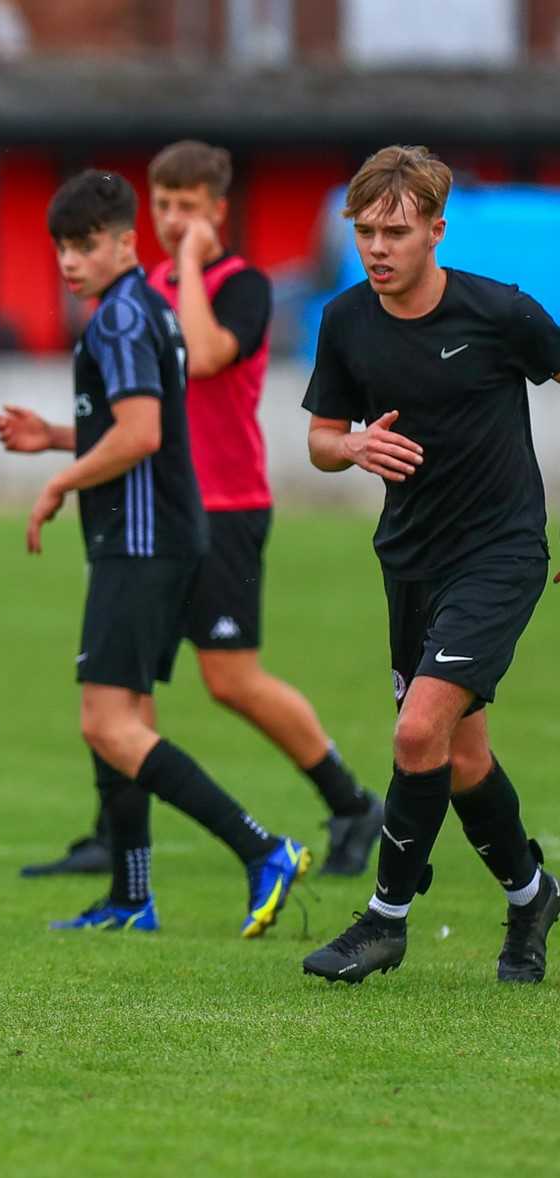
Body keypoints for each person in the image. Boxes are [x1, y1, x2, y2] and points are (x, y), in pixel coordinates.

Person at [7, 141, 380, 882]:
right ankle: (116, 841)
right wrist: (54, 437)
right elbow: (139, 412)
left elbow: (205, 358)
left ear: (216, 210)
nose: (175, 220)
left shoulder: (240, 288)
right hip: (158, 508)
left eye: (189, 207)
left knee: (230, 681)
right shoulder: (138, 295)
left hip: (227, 505)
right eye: (164, 206)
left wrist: (188, 270)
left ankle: (349, 801)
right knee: (123, 677)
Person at [299, 146, 560, 984]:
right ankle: (531, 897)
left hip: (503, 551)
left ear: (436, 232)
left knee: (416, 734)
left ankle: (384, 921)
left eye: (396, 232)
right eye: (366, 231)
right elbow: (318, 441)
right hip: (410, 562)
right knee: (462, 758)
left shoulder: (501, 314)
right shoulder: (344, 321)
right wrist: (352, 444)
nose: (377, 248)